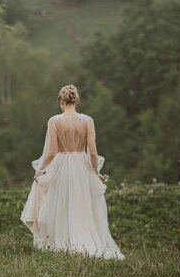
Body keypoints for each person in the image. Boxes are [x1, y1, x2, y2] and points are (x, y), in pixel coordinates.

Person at [20, 85, 124, 260]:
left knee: (60, 203)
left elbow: (52, 152)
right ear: (76, 101)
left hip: (61, 165)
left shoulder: (54, 121)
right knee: (82, 204)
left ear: (61, 101)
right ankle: (86, 240)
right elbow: (92, 153)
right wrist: (96, 171)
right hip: (81, 166)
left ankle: (61, 239)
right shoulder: (87, 121)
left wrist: (40, 170)